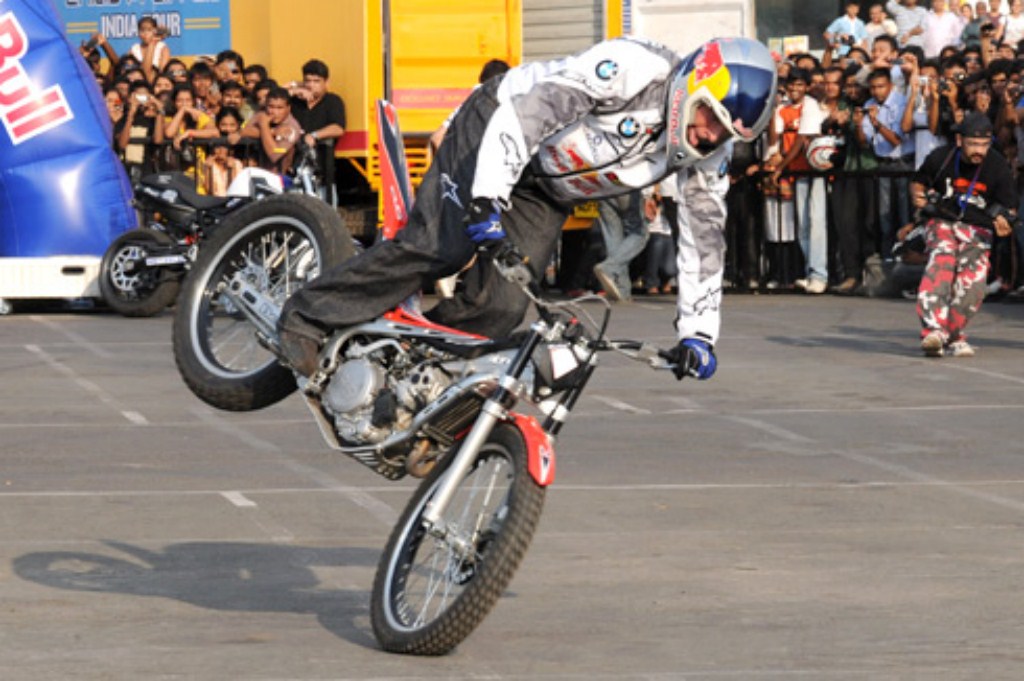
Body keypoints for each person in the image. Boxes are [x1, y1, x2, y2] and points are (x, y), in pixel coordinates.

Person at [277, 36, 777, 381]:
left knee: (505, 305)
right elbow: (528, 117)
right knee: (441, 247)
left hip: (546, 192)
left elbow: (705, 244)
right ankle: (305, 317)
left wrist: (698, 336)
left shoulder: (710, 155)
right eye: (709, 116)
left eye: (724, 134)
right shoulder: (634, 68)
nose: (708, 135)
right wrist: (486, 200)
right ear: (692, 84)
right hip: (498, 126)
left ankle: (407, 369)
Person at [912, 111, 1017, 356]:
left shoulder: (997, 165)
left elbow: (1010, 206)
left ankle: (951, 333)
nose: (979, 150)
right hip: (943, 221)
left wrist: (1005, 221)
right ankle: (933, 330)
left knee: (973, 285)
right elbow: (919, 182)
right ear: (960, 140)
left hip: (978, 229)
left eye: (984, 144)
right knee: (942, 262)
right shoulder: (941, 157)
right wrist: (918, 199)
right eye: (973, 144)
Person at [859, 67, 915, 256]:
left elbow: (896, 140)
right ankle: (887, 256)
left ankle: (906, 255)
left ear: (890, 85)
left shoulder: (901, 102)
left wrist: (877, 124)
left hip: (903, 163)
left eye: (881, 86)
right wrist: (859, 123)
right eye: (873, 87)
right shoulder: (869, 104)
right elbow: (864, 141)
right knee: (885, 215)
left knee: (905, 213)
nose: (877, 92)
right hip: (883, 163)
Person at [592, 190, 647, 301]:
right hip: (628, 189)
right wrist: (648, 195)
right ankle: (609, 267)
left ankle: (622, 289)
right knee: (640, 234)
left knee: (614, 240)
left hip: (604, 190)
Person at [240, 86, 302, 175]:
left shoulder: (292, 128)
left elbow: (274, 154)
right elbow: (242, 131)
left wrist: (263, 126)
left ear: (288, 108)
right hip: (255, 173)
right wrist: (272, 132)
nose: (274, 112)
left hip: (279, 177)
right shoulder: (262, 115)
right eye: (271, 107)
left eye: (279, 108)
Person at [287, 59, 346, 150]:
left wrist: (314, 135)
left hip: (320, 154)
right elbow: (270, 99)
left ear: (326, 83)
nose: (311, 85)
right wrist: (293, 89)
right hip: (292, 153)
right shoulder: (294, 101)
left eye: (316, 81)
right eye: (308, 81)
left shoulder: (332, 101)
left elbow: (338, 128)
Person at [129, 16, 170, 84]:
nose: (145, 33)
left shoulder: (162, 48)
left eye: (149, 30)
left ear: (155, 31)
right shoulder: (134, 49)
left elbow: (163, 71)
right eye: (142, 30)